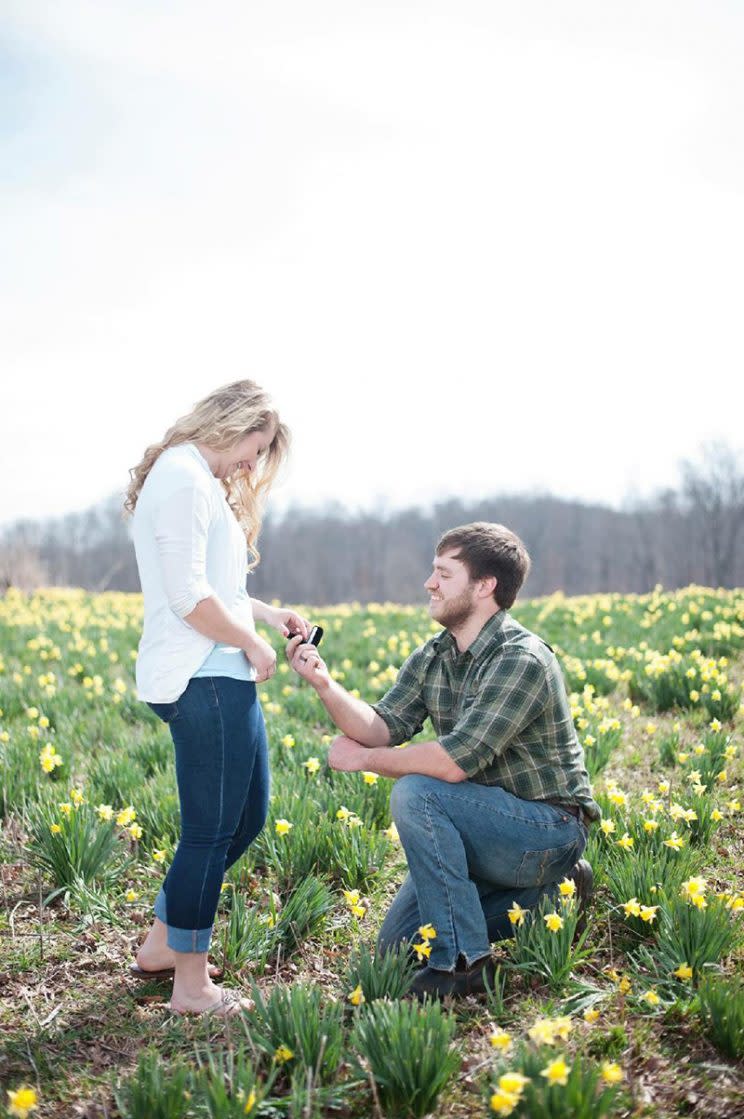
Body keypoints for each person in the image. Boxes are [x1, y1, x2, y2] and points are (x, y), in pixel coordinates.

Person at [287, 522, 600, 999]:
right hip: (481, 825)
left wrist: (366, 760)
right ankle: (555, 897)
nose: (429, 583)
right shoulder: (435, 655)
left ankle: (464, 965)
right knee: (397, 949)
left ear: (484, 586)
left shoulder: (521, 659)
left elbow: (454, 763)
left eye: (443, 574)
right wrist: (324, 684)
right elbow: (382, 724)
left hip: (545, 829)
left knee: (418, 791)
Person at [125, 380, 310, 1015]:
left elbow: (219, 588)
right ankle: (192, 987)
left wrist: (267, 614)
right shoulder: (180, 477)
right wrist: (253, 645)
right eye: (254, 449)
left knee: (248, 817)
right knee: (208, 832)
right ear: (229, 424)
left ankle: (159, 946)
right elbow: (187, 599)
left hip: (222, 672)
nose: (251, 466)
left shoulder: (200, 481)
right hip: (202, 677)